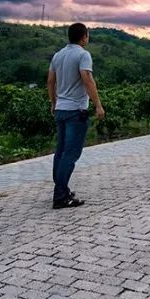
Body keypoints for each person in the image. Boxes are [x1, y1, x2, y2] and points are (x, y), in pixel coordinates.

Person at [47, 22, 105, 208]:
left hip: (61, 109)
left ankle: (62, 190)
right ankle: (60, 196)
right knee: (70, 154)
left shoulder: (58, 55)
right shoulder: (83, 54)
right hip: (76, 111)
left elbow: (50, 82)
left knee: (61, 151)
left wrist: (53, 102)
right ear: (83, 37)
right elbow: (87, 79)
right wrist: (98, 105)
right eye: (87, 34)